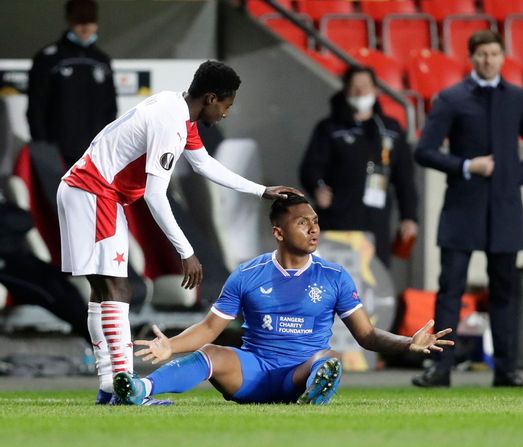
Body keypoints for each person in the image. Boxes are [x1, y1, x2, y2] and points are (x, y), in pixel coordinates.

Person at [56, 60, 301, 405]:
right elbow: (156, 195)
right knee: (117, 288)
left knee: (103, 291)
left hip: (85, 190)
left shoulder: (175, 107)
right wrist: (185, 251)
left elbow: (204, 165)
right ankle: (126, 389)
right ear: (212, 98)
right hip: (96, 193)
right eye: (227, 106)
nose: (226, 114)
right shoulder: (171, 122)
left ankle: (111, 385)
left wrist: (260, 190)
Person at [112, 195, 452, 405]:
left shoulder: (333, 276)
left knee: (327, 358)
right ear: (279, 233)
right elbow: (211, 327)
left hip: (300, 375)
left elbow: (367, 336)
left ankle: (315, 394)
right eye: (302, 223)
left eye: (315, 222)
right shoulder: (248, 274)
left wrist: (408, 343)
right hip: (252, 374)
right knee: (211, 353)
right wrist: (171, 346)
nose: (313, 229)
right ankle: (141, 388)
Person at [411, 30, 523, 388]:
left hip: (505, 211)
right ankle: (440, 369)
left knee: (505, 292)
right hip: (462, 209)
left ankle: (505, 370)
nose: (488, 60)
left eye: (494, 54)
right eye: (482, 54)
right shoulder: (452, 98)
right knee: (450, 290)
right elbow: (424, 150)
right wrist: (467, 166)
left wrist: (515, 178)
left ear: (504, 57)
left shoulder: (518, 98)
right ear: (471, 58)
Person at [299, 66, 418, 267]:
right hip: (338, 220)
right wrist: (317, 188)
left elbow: (404, 178)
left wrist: (409, 217)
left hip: (376, 221)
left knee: (374, 278)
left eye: (365, 86)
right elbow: (310, 168)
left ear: (376, 90)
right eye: (355, 87)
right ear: (345, 90)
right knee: (336, 280)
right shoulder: (329, 128)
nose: (361, 92)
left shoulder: (391, 129)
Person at [27, 0, 117, 168]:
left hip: (95, 153)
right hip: (56, 152)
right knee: (56, 194)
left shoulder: (102, 61)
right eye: (80, 22)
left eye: (90, 22)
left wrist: (108, 142)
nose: (85, 29)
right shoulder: (47, 59)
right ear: (70, 21)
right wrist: (43, 147)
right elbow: (36, 107)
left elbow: (110, 108)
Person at [0, 189, 89, 343]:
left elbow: (25, 221)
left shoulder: (7, 201)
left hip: (28, 260)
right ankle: (95, 339)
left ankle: (98, 338)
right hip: (5, 267)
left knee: (66, 286)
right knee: (49, 293)